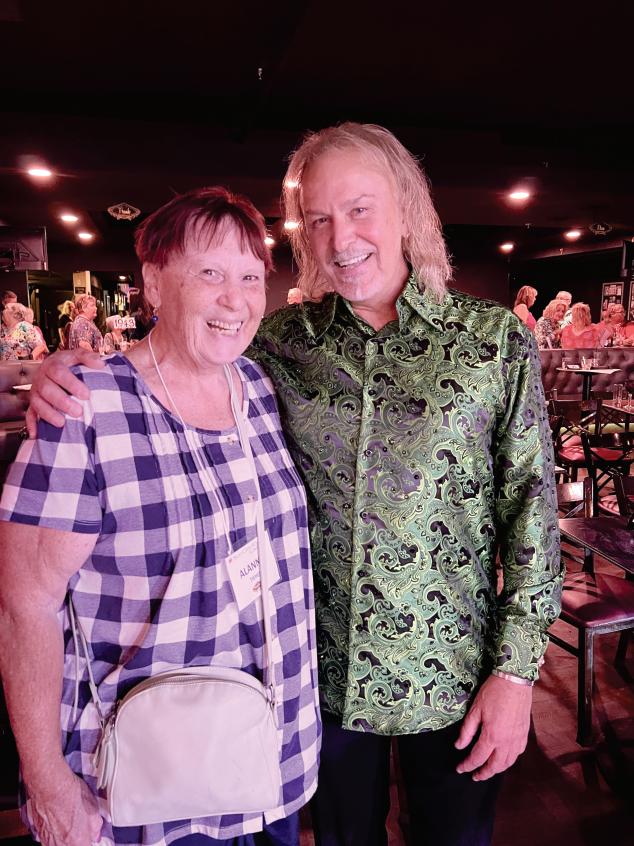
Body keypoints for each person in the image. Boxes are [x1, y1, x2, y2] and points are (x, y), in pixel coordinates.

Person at [24, 122, 562, 846]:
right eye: (318, 219)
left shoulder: (491, 341)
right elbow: (180, 358)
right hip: (316, 688)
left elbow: (533, 513)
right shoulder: (281, 342)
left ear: (407, 208)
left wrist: (518, 674)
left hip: (455, 675)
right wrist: (69, 371)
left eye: (360, 209)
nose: (341, 238)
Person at [0, 187, 321, 846]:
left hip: (270, 752)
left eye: (250, 278)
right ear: (153, 283)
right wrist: (47, 782)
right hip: (148, 778)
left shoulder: (259, 389)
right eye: (210, 273)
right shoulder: (86, 406)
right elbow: (24, 607)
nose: (235, 299)